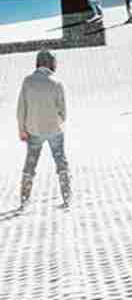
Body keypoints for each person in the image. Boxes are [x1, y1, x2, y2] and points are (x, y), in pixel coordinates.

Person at [16, 49, 72, 210]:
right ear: (50, 63)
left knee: (30, 164)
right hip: (55, 129)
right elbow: (63, 112)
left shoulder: (27, 81)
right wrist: (57, 121)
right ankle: (67, 197)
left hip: (33, 131)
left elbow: (21, 109)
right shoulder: (57, 83)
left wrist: (22, 129)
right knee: (61, 162)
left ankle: (24, 200)